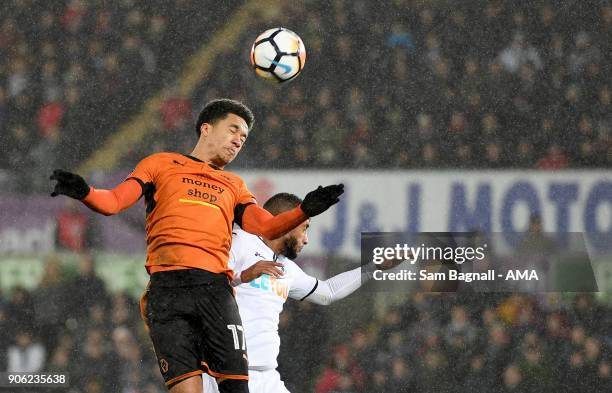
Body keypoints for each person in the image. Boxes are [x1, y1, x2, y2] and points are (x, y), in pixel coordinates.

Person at [50, 98, 344, 393]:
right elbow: (113, 202)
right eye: (233, 130)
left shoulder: (234, 185)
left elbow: (267, 226)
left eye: (243, 137)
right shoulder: (160, 164)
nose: (238, 141)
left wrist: (304, 210)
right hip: (167, 294)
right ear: (206, 128)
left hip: (214, 293)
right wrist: (85, 192)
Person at [202, 192, 392, 393]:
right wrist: (244, 274)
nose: (306, 239)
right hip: (222, 374)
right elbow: (204, 284)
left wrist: (374, 267)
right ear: (285, 222)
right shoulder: (238, 243)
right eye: (304, 228)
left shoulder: (286, 267)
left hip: (266, 376)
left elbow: (327, 292)